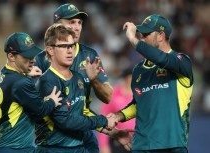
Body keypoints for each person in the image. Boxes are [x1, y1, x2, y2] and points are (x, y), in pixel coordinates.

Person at [109, 14, 194, 153]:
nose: (141, 38)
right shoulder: (138, 69)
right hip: (141, 146)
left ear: (160, 35)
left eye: (146, 35)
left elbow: (162, 59)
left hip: (172, 145)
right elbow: (138, 103)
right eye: (140, 35)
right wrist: (118, 116)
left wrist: (133, 39)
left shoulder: (181, 62)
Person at [34, 3, 113, 153]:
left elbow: (108, 97)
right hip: (56, 139)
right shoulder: (41, 61)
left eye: (80, 23)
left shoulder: (89, 55)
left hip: (84, 129)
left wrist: (94, 79)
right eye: (71, 22)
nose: (77, 27)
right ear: (57, 26)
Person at [0, 32, 62, 153]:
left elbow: (12, 88)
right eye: (27, 56)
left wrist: (25, 74)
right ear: (11, 56)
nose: (33, 59)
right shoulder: (21, 83)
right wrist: (52, 101)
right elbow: (41, 111)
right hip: (15, 148)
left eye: (32, 54)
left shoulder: (3, 73)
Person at [98, 67, 135, 153]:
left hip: (139, 140)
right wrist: (103, 145)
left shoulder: (140, 93)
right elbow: (104, 118)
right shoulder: (114, 94)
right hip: (118, 140)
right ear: (127, 77)